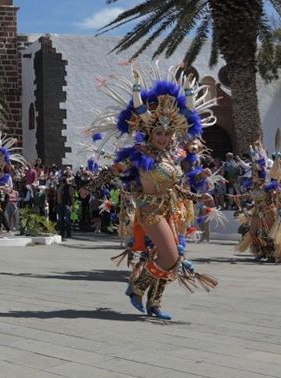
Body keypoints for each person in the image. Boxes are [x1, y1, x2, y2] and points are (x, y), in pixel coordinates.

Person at [89, 66, 218, 320]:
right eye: (159, 132)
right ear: (150, 132)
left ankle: (155, 303)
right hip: (149, 211)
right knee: (169, 256)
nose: (164, 137)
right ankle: (136, 287)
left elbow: (177, 187)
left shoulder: (171, 156)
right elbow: (114, 170)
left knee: (172, 256)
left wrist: (199, 197)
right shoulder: (141, 154)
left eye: (169, 133)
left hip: (172, 209)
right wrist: (89, 188)